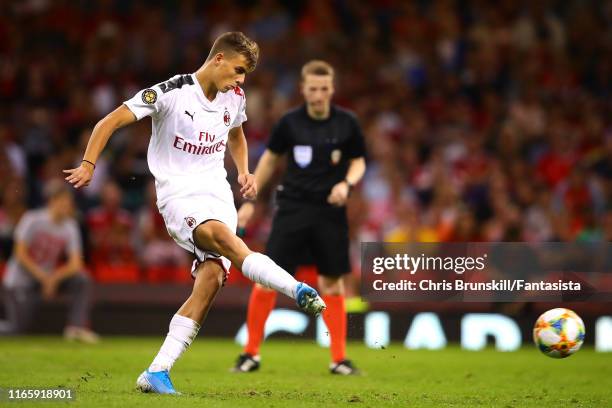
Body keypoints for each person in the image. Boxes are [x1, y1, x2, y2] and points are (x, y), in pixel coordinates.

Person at [63, 32, 326, 394]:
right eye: (237, 71)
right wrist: (89, 164)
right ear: (218, 59)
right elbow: (107, 122)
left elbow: (236, 134)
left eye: (244, 75)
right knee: (222, 238)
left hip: (218, 194)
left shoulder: (234, 96)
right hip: (179, 196)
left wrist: (245, 171)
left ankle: (157, 372)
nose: (239, 80)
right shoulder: (171, 92)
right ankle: (295, 289)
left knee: (212, 279)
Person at [233, 60, 366, 375]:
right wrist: (251, 194)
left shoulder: (347, 123)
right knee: (268, 279)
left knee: (332, 284)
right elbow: (269, 159)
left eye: (324, 89)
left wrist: (346, 184)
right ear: (303, 90)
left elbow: (359, 161)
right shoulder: (290, 123)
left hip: (330, 212)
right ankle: (250, 353)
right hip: (292, 208)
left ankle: (339, 359)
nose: (318, 95)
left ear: (331, 90)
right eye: (313, 89)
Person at [1, 179, 99, 343]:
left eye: (69, 202)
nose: (68, 206)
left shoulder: (70, 226)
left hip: (46, 279)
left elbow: (76, 264)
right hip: (19, 282)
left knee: (82, 279)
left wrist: (53, 278)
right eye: (64, 201)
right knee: (16, 330)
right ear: (52, 200)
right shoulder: (32, 219)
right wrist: (45, 278)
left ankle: (75, 327)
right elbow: (20, 254)